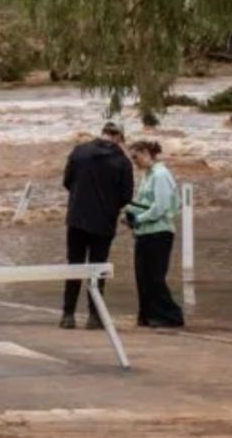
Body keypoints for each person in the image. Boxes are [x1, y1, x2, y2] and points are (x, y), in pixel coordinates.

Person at [60, 122, 134, 329]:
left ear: (102, 133)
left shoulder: (79, 152)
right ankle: (94, 315)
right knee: (98, 267)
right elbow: (126, 196)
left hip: (76, 217)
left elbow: (67, 182)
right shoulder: (122, 161)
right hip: (103, 221)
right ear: (119, 136)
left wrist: (80, 197)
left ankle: (68, 315)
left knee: (74, 265)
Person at [125, 140, 185, 329]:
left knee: (154, 277)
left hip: (159, 232)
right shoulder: (148, 175)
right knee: (143, 277)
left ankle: (171, 316)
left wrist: (138, 219)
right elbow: (142, 201)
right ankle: (148, 315)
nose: (134, 162)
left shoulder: (160, 175)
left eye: (135, 157)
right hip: (146, 232)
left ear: (145, 153)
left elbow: (160, 207)